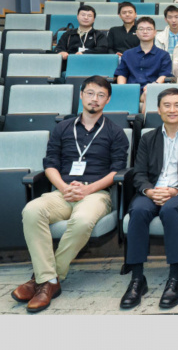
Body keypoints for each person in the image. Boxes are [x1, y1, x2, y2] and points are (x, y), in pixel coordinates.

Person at [12, 76, 128, 313]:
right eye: (90, 93)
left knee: (83, 220)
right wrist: (64, 188)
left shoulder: (116, 133)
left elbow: (117, 170)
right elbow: (50, 163)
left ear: (107, 100)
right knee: (32, 210)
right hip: (62, 191)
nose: (94, 99)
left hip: (96, 194)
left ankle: (45, 280)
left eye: (101, 95)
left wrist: (88, 189)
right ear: (81, 95)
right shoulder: (63, 128)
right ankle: (50, 280)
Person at [120, 88, 178, 310]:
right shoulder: (148, 138)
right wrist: (149, 191)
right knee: (138, 211)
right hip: (152, 191)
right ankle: (137, 279)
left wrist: (175, 190)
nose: (172, 110)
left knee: (170, 211)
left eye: (177, 105)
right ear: (158, 110)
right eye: (166, 105)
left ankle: (175, 278)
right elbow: (138, 172)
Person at [115, 17, 173, 114]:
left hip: (152, 90)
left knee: (148, 93)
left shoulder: (163, 55)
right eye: (141, 29)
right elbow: (122, 74)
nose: (145, 32)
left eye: (149, 29)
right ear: (136, 33)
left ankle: (142, 122)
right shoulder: (128, 54)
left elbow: (164, 74)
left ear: (155, 32)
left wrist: (153, 86)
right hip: (131, 90)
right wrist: (122, 90)